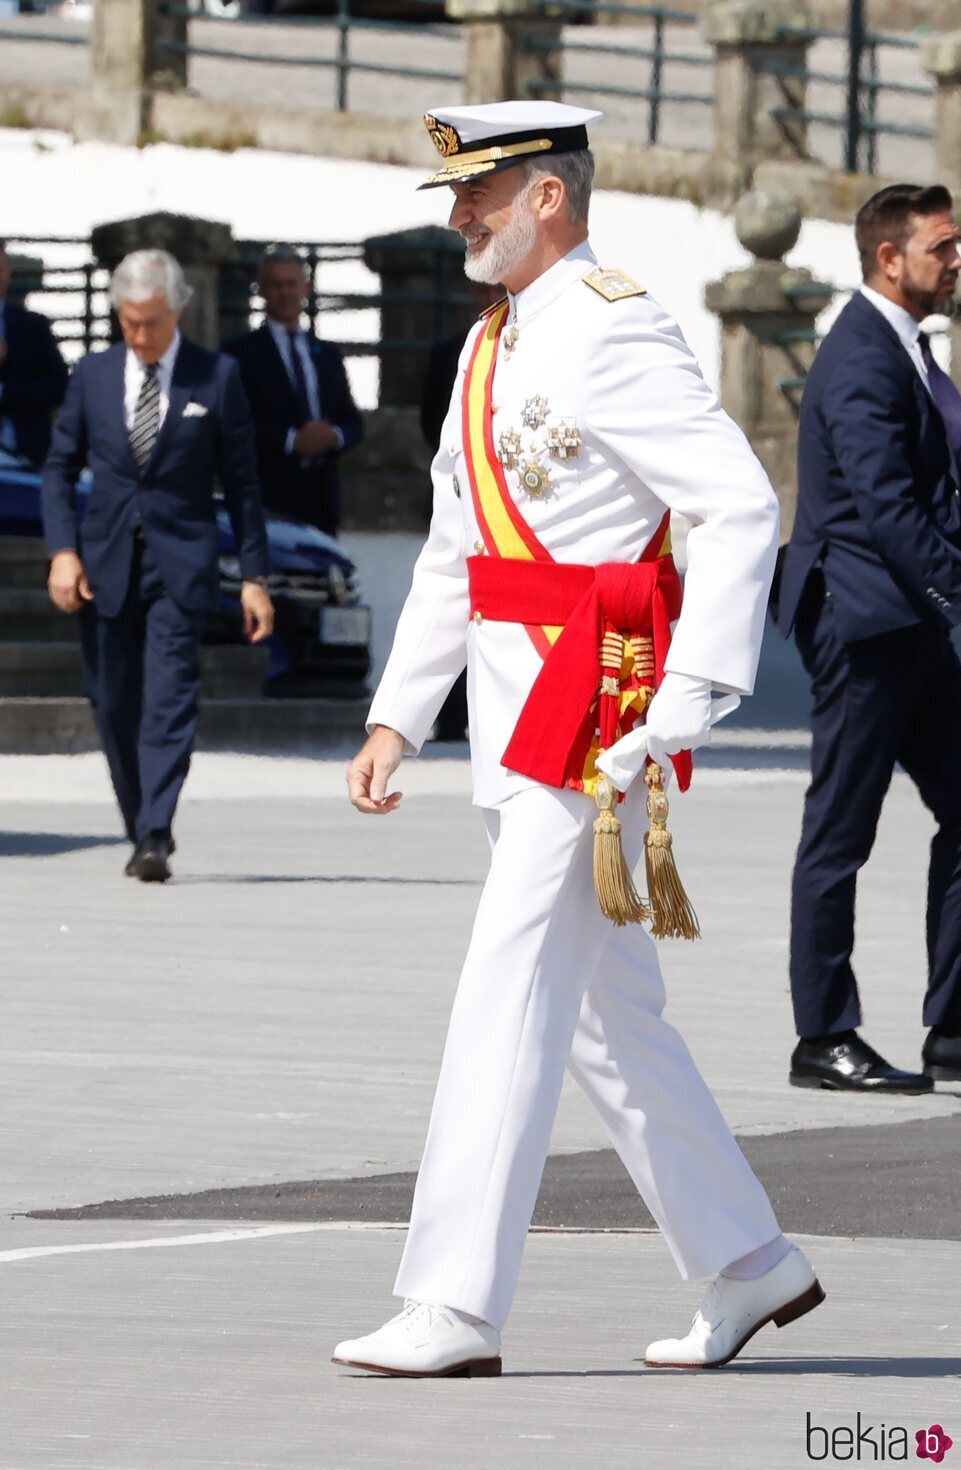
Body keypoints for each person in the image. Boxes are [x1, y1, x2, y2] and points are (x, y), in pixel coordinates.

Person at [335, 101, 824, 1378]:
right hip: (512, 714)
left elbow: (733, 504)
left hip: (596, 714)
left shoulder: (614, 328)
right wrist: (401, 709)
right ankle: (747, 1263)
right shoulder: (491, 341)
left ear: (546, 196)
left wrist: (684, 704)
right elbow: (461, 547)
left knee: (505, 989)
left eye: (477, 198)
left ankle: (452, 1303)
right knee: (609, 1022)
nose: (457, 221)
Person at [777, 184, 961, 1093]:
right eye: (942, 247)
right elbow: (886, 509)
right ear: (888, 258)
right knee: (840, 833)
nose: (958, 261)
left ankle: (958, 1022)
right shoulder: (861, 355)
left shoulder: (904, 348)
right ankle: (824, 1035)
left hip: (911, 623)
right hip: (863, 623)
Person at [42, 249, 274, 884]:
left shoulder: (216, 377)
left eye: (150, 322)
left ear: (176, 312)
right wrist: (62, 551)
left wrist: (254, 577)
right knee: (113, 701)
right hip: (104, 562)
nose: (139, 336)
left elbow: (244, 484)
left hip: (181, 564)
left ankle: (155, 833)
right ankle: (137, 818)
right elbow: (59, 471)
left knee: (169, 700)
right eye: (128, 323)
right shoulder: (91, 375)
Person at [223, 246, 363, 538]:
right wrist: (291, 440)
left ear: (306, 288)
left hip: (322, 504)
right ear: (260, 290)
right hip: (268, 500)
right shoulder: (239, 353)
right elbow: (232, 425)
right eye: (276, 285)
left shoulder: (327, 355)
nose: (285, 293)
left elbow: (353, 423)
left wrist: (332, 436)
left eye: (291, 284)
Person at [419, 279, 499, 741]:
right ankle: (449, 717)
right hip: (462, 494)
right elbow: (433, 420)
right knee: (452, 600)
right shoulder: (451, 351)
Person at [0, 239, 69, 468]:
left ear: (8, 273)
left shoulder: (33, 326)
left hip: (27, 457)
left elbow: (60, 385)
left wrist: (6, 393)